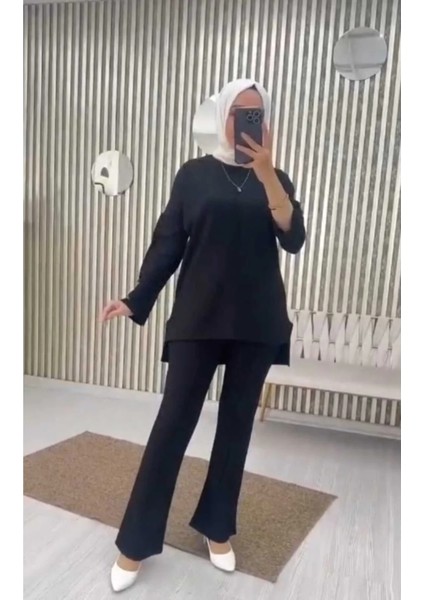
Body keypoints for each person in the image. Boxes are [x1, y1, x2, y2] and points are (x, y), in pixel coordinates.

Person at [100, 78, 306, 592]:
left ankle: (217, 528)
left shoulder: (276, 178)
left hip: (257, 321)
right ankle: (135, 542)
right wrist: (137, 297)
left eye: (257, 113)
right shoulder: (193, 175)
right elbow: (168, 241)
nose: (247, 121)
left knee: (236, 428)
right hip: (199, 317)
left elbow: (294, 237)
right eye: (239, 112)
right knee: (172, 426)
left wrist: (267, 174)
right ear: (221, 116)